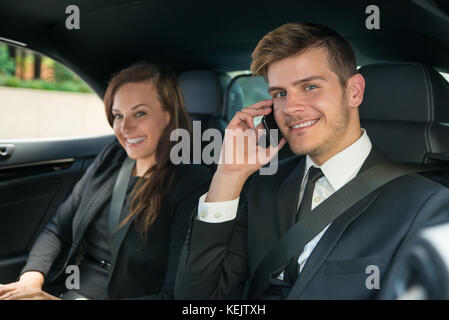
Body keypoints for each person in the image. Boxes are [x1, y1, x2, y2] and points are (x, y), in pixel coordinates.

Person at [174, 22, 449, 299]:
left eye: (310, 86)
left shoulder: (428, 206)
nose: (291, 108)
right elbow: (198, 300)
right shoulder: (263, 189)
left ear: (354, 91)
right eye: (280, 93)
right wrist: (228, 175)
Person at [0, 63, 211, 300]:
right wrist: (30, 281)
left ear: (169, 114)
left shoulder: (193, 183)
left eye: (140, 113)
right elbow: (59, 228)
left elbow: (174, 296)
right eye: (118, 115)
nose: (124, 128)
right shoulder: (112, 156)